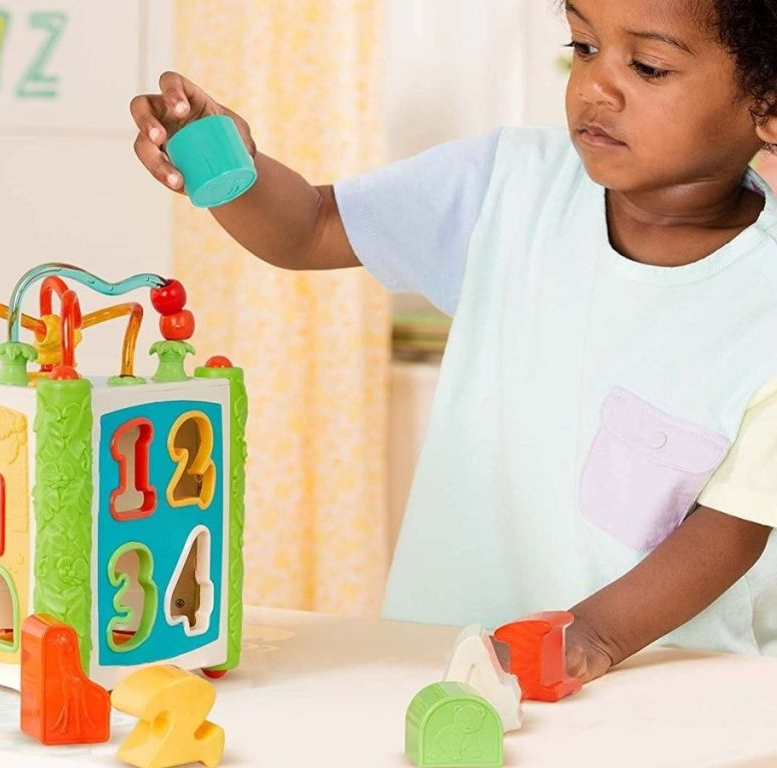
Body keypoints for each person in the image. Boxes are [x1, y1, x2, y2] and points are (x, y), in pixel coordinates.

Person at [129, 0, 777, 681]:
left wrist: (593, 637)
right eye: (583, 46)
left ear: (765, 104)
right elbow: (312, 225)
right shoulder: (508, 184)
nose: (595, 86)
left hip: (665, 688)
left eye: (647, 66)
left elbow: (732, 526)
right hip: (445, 662)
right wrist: (228, 166)